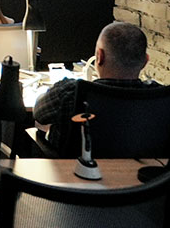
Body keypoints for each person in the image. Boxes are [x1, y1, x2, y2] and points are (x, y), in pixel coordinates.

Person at [32, 21, 158, 156]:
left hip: (76, 168)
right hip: (142, 169)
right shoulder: (161, 97)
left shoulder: (70, 91)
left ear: (99, 57)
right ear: (145, 61)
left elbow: (39, 114)